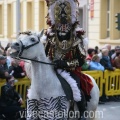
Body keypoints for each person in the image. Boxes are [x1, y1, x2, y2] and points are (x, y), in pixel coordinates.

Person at [44, 0, 93, 119]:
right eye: (60, 25)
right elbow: (45, 55)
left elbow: (81, 60)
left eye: (66, 25)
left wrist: (64, 63)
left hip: (71, 71)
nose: (63, 28)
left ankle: (82, 113)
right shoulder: (50, 38)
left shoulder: (77, 39)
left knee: (76, 88)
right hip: (52, 70)